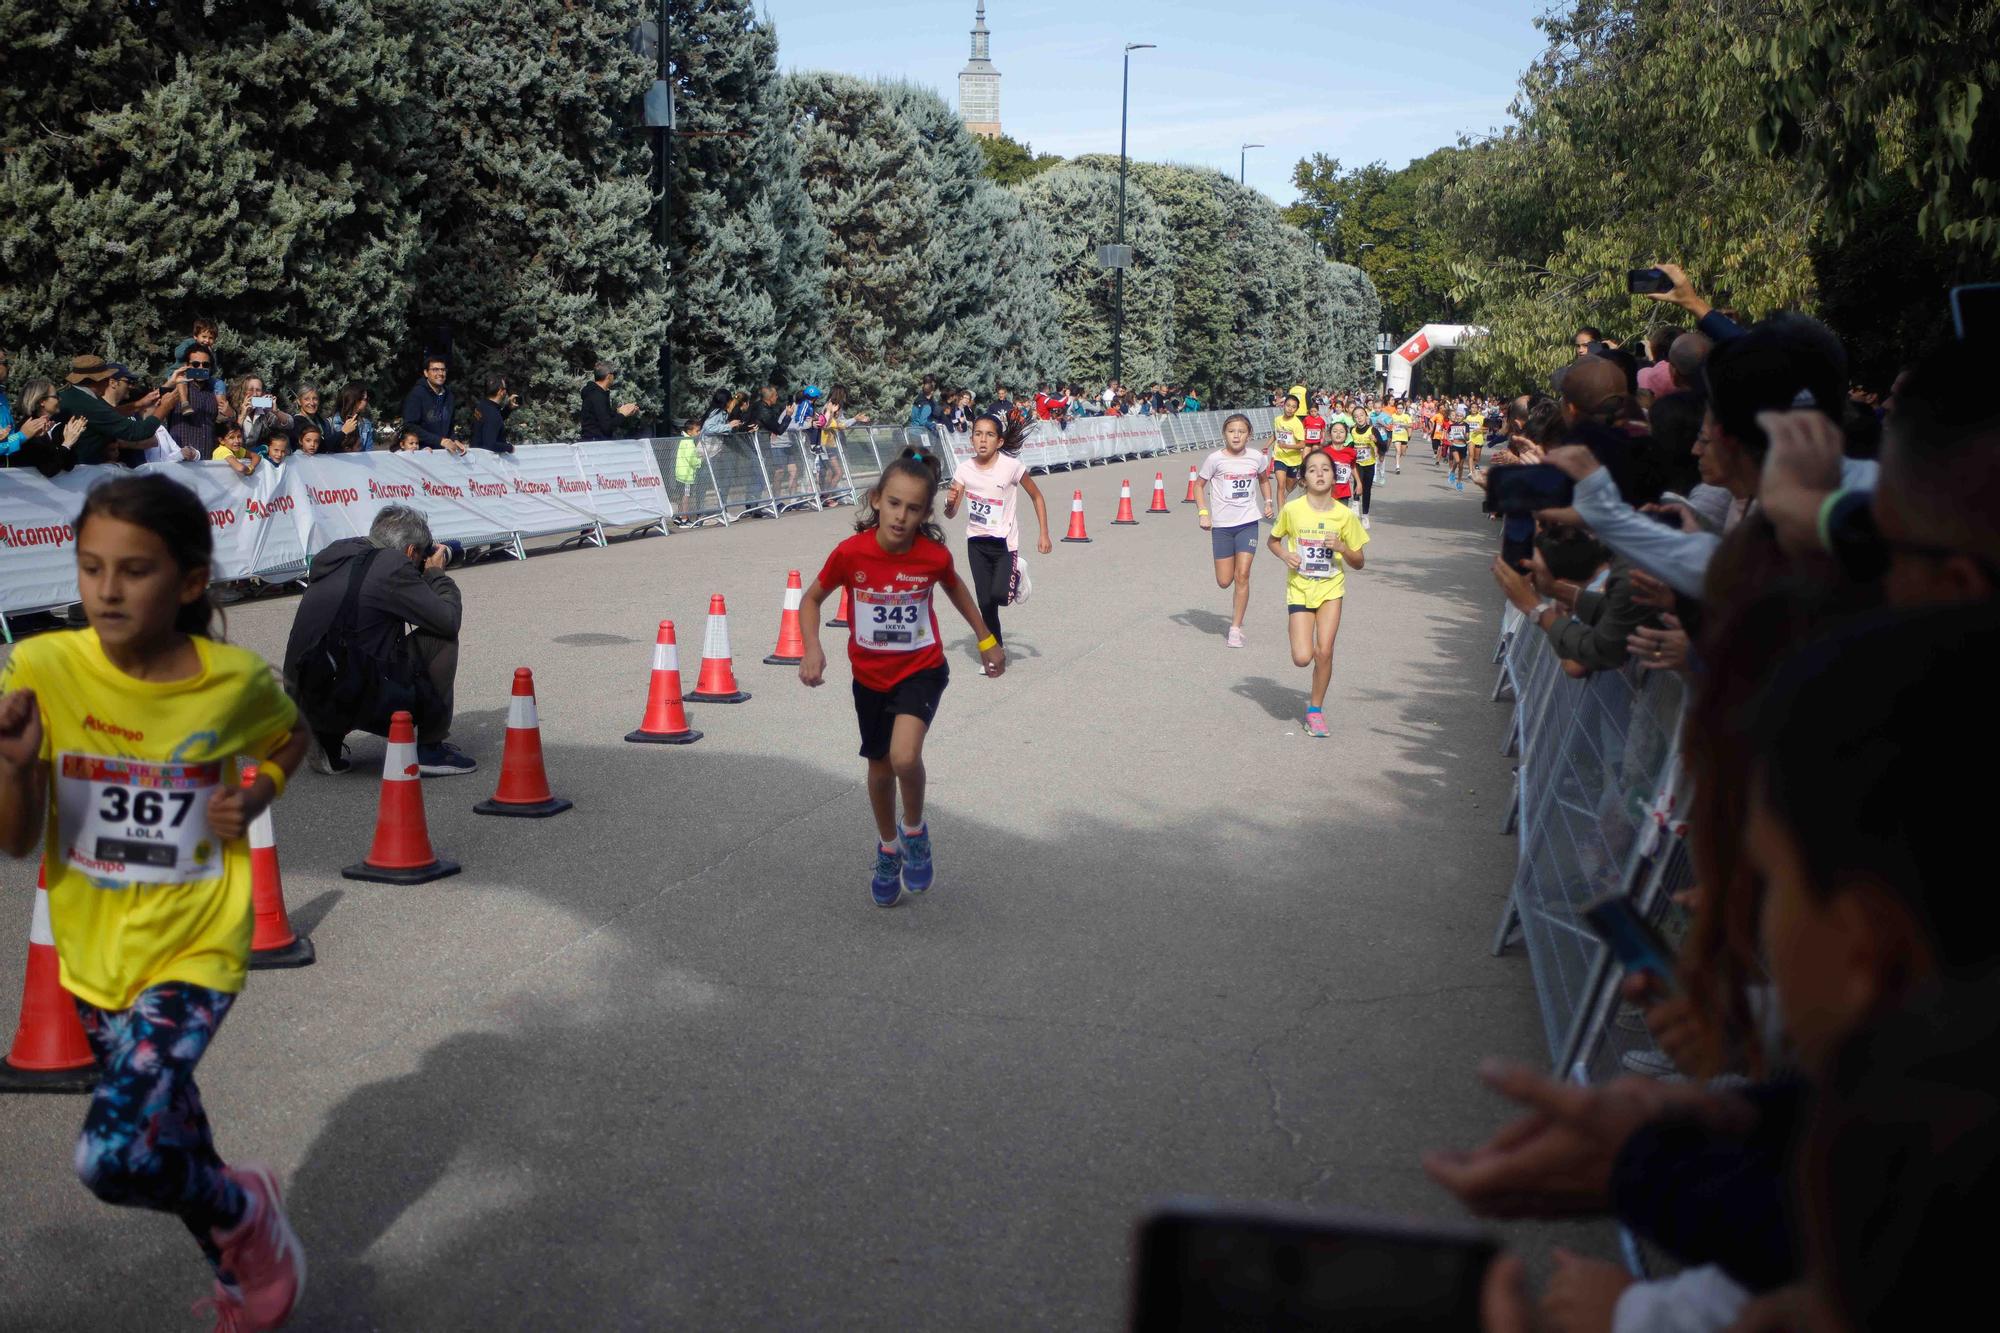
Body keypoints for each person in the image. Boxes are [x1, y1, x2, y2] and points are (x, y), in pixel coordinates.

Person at [0, 473, 310, 1330]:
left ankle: (245, 1211)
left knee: (112, 1154)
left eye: (133, 570)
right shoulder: (42, 667)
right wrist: (17, 766)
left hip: (196, 949)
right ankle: (247, 1274)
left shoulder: (233, 681)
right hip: (95, 959)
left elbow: (291, 731)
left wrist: (259, 789)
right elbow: (17, 839)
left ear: (192, 580)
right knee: (168, 1138)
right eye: (90, 566)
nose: (105, 590)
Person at [795, 447, 1006, 908]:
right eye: (894, 503)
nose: (901, 516)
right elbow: (810, 600)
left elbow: (953, 586)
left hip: (921, 669)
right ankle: (888, 847)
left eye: (913, 509)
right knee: (878, 768)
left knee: (904, 758)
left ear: (925, 513)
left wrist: (986, 638)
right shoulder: (851, 554)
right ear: (875, 499)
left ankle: (915, 832)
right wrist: (813, 648)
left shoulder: (931, 556)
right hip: (869, 677)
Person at [281, 504, 474, 776]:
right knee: (441, 639)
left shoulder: (338, 555)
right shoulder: (392, 565)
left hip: (303, 693)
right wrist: (436, 576)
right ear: (410, 551)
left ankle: (326, 740)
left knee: (349, 644)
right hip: (349, 694)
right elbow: (448, 620)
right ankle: (430, 749)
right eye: (422, 552)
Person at [1268, 447, 1368, 737]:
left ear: (1335, 476)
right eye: (1312, 470)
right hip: (1299, 588)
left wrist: (1342, 548)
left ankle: (1315, 710)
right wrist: (1286, 555)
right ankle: (1314, 676)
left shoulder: (1344, 515)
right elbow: (1273, 541)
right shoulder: (1292, 510)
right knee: (1302, 657)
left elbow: (1359, 562)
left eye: (1325, 468)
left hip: (1330, 588)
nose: (1320, 474)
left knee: (1324, 651)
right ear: (1303, 478)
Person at [942, 412, 1052, 651]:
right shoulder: (964, 470)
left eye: (990, 435)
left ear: (999, 441)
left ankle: (1018, 572)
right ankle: (994, 651)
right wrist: (950, 503)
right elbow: (950, 513)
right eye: (978, 434)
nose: (983, 440)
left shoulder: (1011, 467)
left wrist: (1043, 533)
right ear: (971, 439)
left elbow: (1037, 496)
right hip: (976, 543)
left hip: (1004, 544)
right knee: (985, 602)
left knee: (1001, 596)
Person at [1196, 413, 1275, 649]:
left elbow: (1263, 479)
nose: (1237, 435)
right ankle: (1234, 622)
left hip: (1248, 523)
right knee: (1224, 580)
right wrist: (1203, 513)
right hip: (1221, 526)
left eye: (1241, 431)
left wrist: (1268, 501)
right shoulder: (1214, 460)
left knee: (1243, 575)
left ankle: (1235, 628)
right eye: (1232, 431)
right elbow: (1199, 486)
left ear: (1249, 434)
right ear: (1224, 434)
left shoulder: (1256, 458)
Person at [58, 355, 174, 466]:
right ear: (97, 381)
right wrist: (165, 406)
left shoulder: (71, 395)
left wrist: (139, 404)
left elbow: (108, 414)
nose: (108, 382)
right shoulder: (87, 404)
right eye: (106, 378)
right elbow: (138, 432)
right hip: (82, 474)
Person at [400, 356, 465, 454]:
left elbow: (450, 426)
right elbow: (410, 426)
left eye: (443, 370)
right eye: (435, 370)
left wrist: (454, 440)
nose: (440, 373)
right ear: (426, 373)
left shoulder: (449, 396)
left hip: (445, 454)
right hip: (423, 453)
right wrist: (439, 441)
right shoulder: (416, 395)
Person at [580, 362, 639, 440]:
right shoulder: (597, 395)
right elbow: (607, 426)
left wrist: (618, 412)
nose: (614, 377)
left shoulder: (597, 393)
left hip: (596, 441)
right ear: (608, 376)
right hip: (595, 444)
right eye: (614, 374)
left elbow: (601, 417)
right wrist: (623, 414)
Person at [1271, 387, 1309, 507]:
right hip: (1279, 456)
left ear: (1296, 409)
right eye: (1288, 405)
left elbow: (1302, 444)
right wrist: (1266, 446)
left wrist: (1287, 445)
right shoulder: (1277, 420)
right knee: (1280, 485)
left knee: (1289, 485)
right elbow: (1276, 434)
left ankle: (1286, 494)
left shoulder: (1297, 424)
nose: (1290, 409)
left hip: (1293, 459)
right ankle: (1281, 516)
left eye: (1293, 407)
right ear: (1284, 405)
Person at [1349, 412, 1381, 528]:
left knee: (1367, 490)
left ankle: (1365, 516)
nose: (1359, 418)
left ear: (1366, 417)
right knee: (1358, 482)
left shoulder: (1372, 430)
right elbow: (1349, 444)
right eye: (1356, 417)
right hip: (1357, 462)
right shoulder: (1352, 430)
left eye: (1361, 415)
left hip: (1369, 463)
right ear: (1354, 419)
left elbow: (1383, 445)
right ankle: (1355, 503)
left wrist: (1376, 440)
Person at [469, 376, 515, 453]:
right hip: (485, 460)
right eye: (505, 388)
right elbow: (490, 445)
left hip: (475, 455)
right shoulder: (493, 413)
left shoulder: (482, 406)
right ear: (500, 391)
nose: (506, 391)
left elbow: (491, 422)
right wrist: (509, 448)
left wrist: (508, 408)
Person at [329, 382, 374, 453]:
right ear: (352, 399)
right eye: (362, 399)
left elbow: (369, 452)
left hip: (359, 463)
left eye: (366, 399)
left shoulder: (366, 424)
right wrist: (343, 432)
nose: (365, 402)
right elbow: (326, 448)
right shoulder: (330, 423)